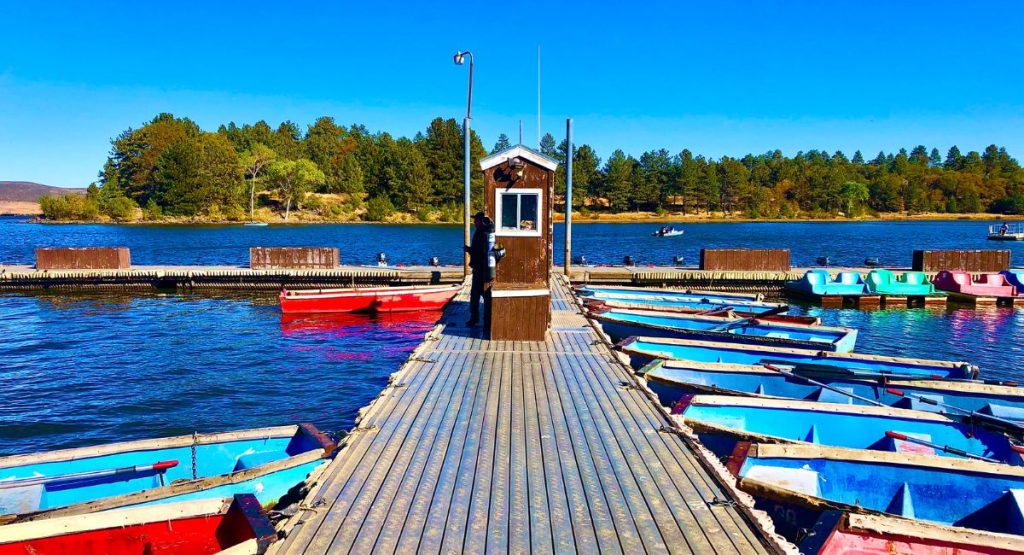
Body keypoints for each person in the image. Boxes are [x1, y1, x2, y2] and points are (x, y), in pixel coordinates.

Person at [464, 211, 493, 327]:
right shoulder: (480, 232)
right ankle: (477, 318)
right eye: (474, 220)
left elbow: (481, 252)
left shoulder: (483, 233)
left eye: (476, 220)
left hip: (480, 269)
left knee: (477, 295)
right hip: (478, 268)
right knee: (478, 295)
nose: (474, 222)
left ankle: (477, 318)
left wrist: (469, 250)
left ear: (481, 221)